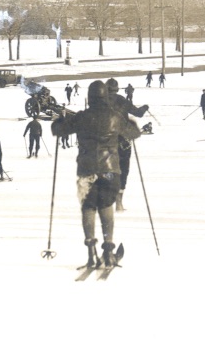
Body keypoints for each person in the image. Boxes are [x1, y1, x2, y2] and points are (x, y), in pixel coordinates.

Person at [51, 80, 142, 268]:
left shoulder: (82, 117)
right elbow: (134, 133)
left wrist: (59, 120)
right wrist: (130, 122)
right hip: (110, 171)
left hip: (87, 170)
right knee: (106, 205)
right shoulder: (115, 117)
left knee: (89, 206)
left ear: (90, 98)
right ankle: (108, 251)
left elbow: (58, 130)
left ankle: (91, 252)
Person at [105, 79, 148, 212]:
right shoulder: (122, 100)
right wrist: (145, 107)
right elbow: (138, 113)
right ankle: (119, 203)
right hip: (123, 142)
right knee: (123, 171)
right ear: (117, 89)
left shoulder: (99, 101)